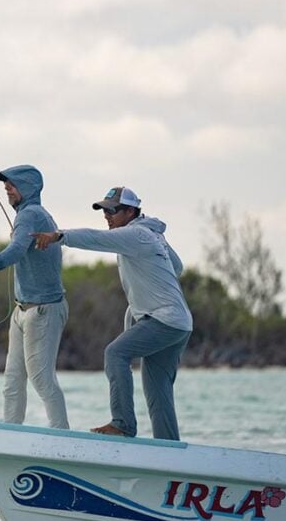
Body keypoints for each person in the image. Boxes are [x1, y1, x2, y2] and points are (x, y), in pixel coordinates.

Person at [33, 186, 192, 441]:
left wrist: (57, 236)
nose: (107, 216)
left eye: (112, 211)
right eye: (104, 210)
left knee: (116, 353)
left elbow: (95, 239)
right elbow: (177, 266)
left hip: (164, 320)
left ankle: (123, 424)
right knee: (158, 391)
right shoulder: (152, 234)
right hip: (179, 323)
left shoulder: (135, 235)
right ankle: (168, 449)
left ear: (130, 211)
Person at [0, 165, 69, 429]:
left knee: (41, 379)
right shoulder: (30, 215)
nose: (7, 190)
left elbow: (15, 251)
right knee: (12, 381)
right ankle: (11, 434)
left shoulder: (31, 214)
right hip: (22, 311)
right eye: (6, 186)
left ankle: (63, 436)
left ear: (27, 187)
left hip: (43, 310)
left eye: (12, 185)